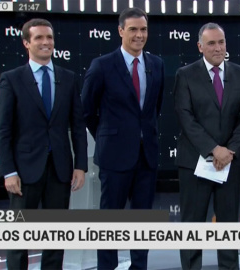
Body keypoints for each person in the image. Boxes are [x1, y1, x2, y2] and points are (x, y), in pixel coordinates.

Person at [0, 18, 88, 269]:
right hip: (23, 171)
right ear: (26, 42)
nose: (46, 42)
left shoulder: (68, 78)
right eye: (39, 38)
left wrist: (80, 165)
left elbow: (77, 126)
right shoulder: (12, 79)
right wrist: (9, 171)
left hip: (59, 169)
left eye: (50, 38)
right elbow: (3, 130)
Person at [81, 7, 164, 270]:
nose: (139, 35)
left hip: (146, 156)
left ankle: (139, 267)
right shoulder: (102, 65)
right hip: (114, 156)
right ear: (120, 31)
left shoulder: (156, 64)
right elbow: (87, 111)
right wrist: (109, 137)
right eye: (133, 30)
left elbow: (154, 108)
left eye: (143, 30)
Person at [174, 22, 240, 269]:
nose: (217, 48)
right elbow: (185, 117)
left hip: (229, 163)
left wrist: (228, 151)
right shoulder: (185, 74)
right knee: (193, 225)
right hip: (194, 162)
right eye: (211, 43)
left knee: (228, 226)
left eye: (221, 42)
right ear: (200, 47)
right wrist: (213, 149)